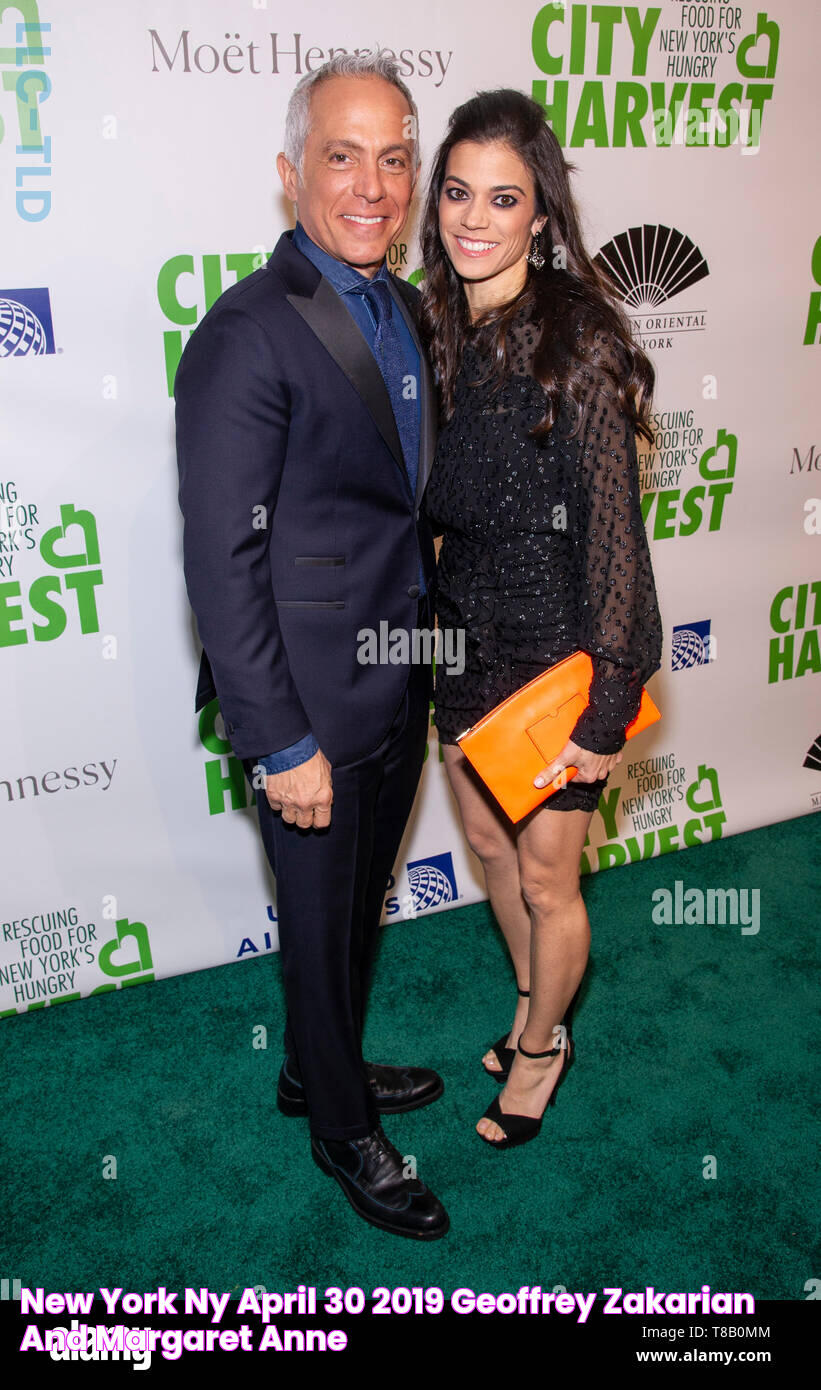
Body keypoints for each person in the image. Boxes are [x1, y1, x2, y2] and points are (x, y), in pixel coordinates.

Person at [175, 52, 449, 1238]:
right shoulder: (246, 332)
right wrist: (275, 736)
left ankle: (314, 1066)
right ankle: (340, 1125)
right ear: (293, 173)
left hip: (396, 682)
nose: (373, 184)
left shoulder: (405, 306)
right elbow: (220, 561)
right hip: (306, 709)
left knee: (352, 912)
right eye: (343, 155)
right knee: (321, 906)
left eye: (394, 156)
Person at [419, 89, 663, 1149]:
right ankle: (534, 1001)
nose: (474, 218)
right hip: (461, 645)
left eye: (502, 198)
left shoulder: (577, 344)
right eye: (458, 192)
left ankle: (539, 1050)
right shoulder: (435, 327)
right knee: (482, 840)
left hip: (559, 659)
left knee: (547, 873)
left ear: (540, 215)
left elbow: (616, 545)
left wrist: (606, 705)